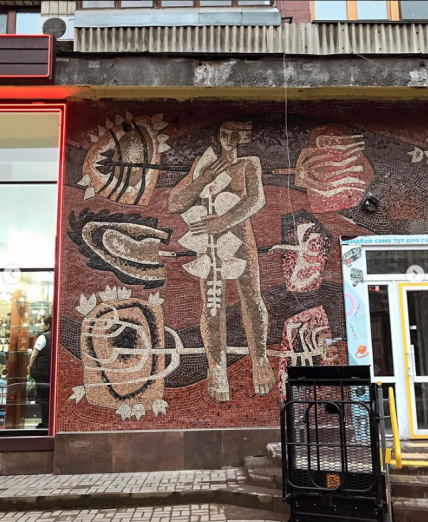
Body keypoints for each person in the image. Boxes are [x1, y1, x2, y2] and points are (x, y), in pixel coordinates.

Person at [169, 121, 275, 401]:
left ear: (242, 137)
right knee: (213, 302)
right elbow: (175, 203)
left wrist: (225, 221)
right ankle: (217, 368)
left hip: (240, 238)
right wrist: (202, 180)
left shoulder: (248, 164)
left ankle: (259, 359)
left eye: (233, 134)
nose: (228, 139)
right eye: (224, 133)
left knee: (251, 295)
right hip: (210, 244)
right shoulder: (205, 164)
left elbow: (256, 199)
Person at [27, 316, 52, 429]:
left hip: (41, 371)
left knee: (43, 398)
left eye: (42, 323)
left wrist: (30, 366)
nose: (41, 325)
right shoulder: (55, 336)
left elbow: (34, 353)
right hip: (50, 371)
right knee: (49, 397)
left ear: (48, 325)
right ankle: (50, 421)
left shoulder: (43, 336)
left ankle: (45, 422)